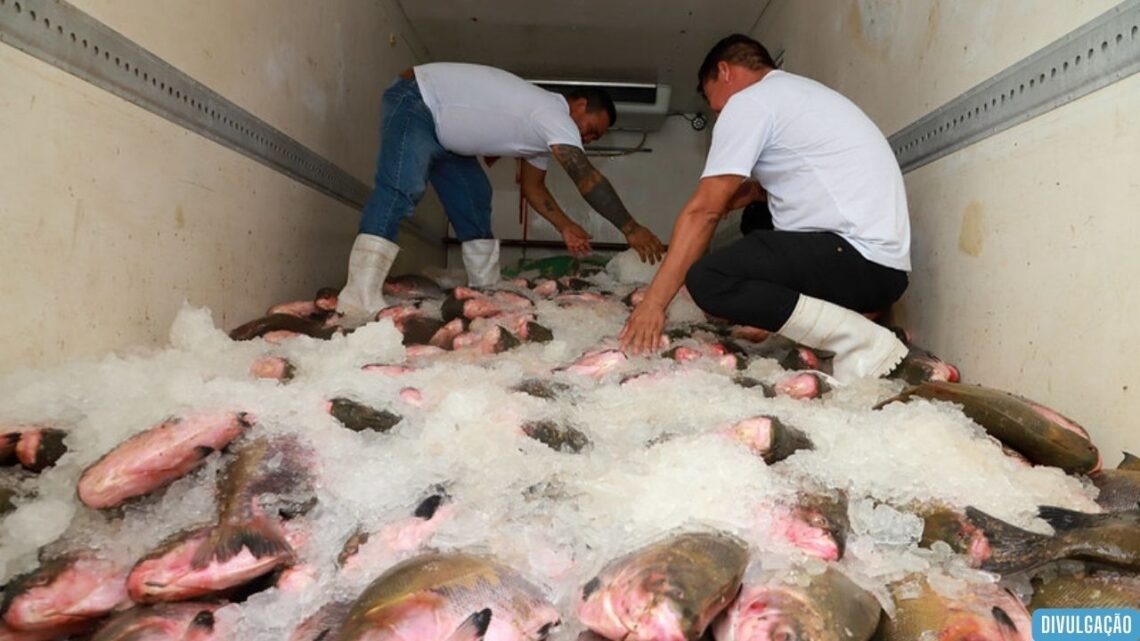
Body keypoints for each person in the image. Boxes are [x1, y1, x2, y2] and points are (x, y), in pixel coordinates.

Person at [619, 34, 911, 381]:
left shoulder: (751, 102)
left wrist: (653, 304)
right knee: (758, 218)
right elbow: (767, 189)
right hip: (881, 270)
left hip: (856, 259)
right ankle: (850, 322)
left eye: (716, 107)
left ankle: (862, 340)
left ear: (725, 71)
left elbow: (703, 212)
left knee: (709, 277)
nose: (720, 115)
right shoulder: (799, 95)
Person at [338, 63, 665, 325]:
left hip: (447, 136)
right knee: (401, 187)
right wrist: (631, 228)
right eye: (593, 128)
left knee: (475, 196)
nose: (590, 138)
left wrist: (565, 226)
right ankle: (358, 295)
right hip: (418, 100)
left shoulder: (542, 136)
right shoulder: (553, 113)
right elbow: (586, 176)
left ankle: (485, 290)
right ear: (579, 105)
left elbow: (533, 188)